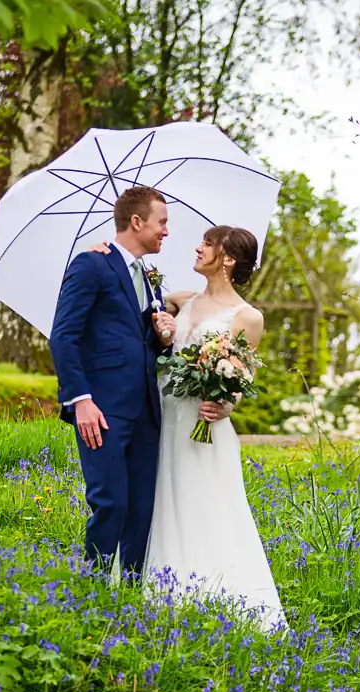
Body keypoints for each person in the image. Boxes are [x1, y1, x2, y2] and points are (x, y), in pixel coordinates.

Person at [93, 226, 287, 631]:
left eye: (208, 244)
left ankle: (206, 593)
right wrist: (105, 252)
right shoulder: (180, 299)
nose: (198, 248)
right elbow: (129, 299)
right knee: (156, 497)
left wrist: (225, 404)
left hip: (203, 427)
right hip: (162, 416)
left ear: (229, 259)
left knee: (203, 505)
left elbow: (241, 380)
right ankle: (148, 586)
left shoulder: (248, 317)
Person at [48, 186, 178, 577]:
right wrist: (80, 400)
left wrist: (162, 337)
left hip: (145, 409)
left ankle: (133, 592)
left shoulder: (149, 278)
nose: (166, 232)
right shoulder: (90, 265)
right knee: (111, 502)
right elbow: (64, 335)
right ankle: (94, 587)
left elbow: (140, 345)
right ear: (136, 222)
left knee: (141, 507)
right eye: (162, 223)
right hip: (101, 409)